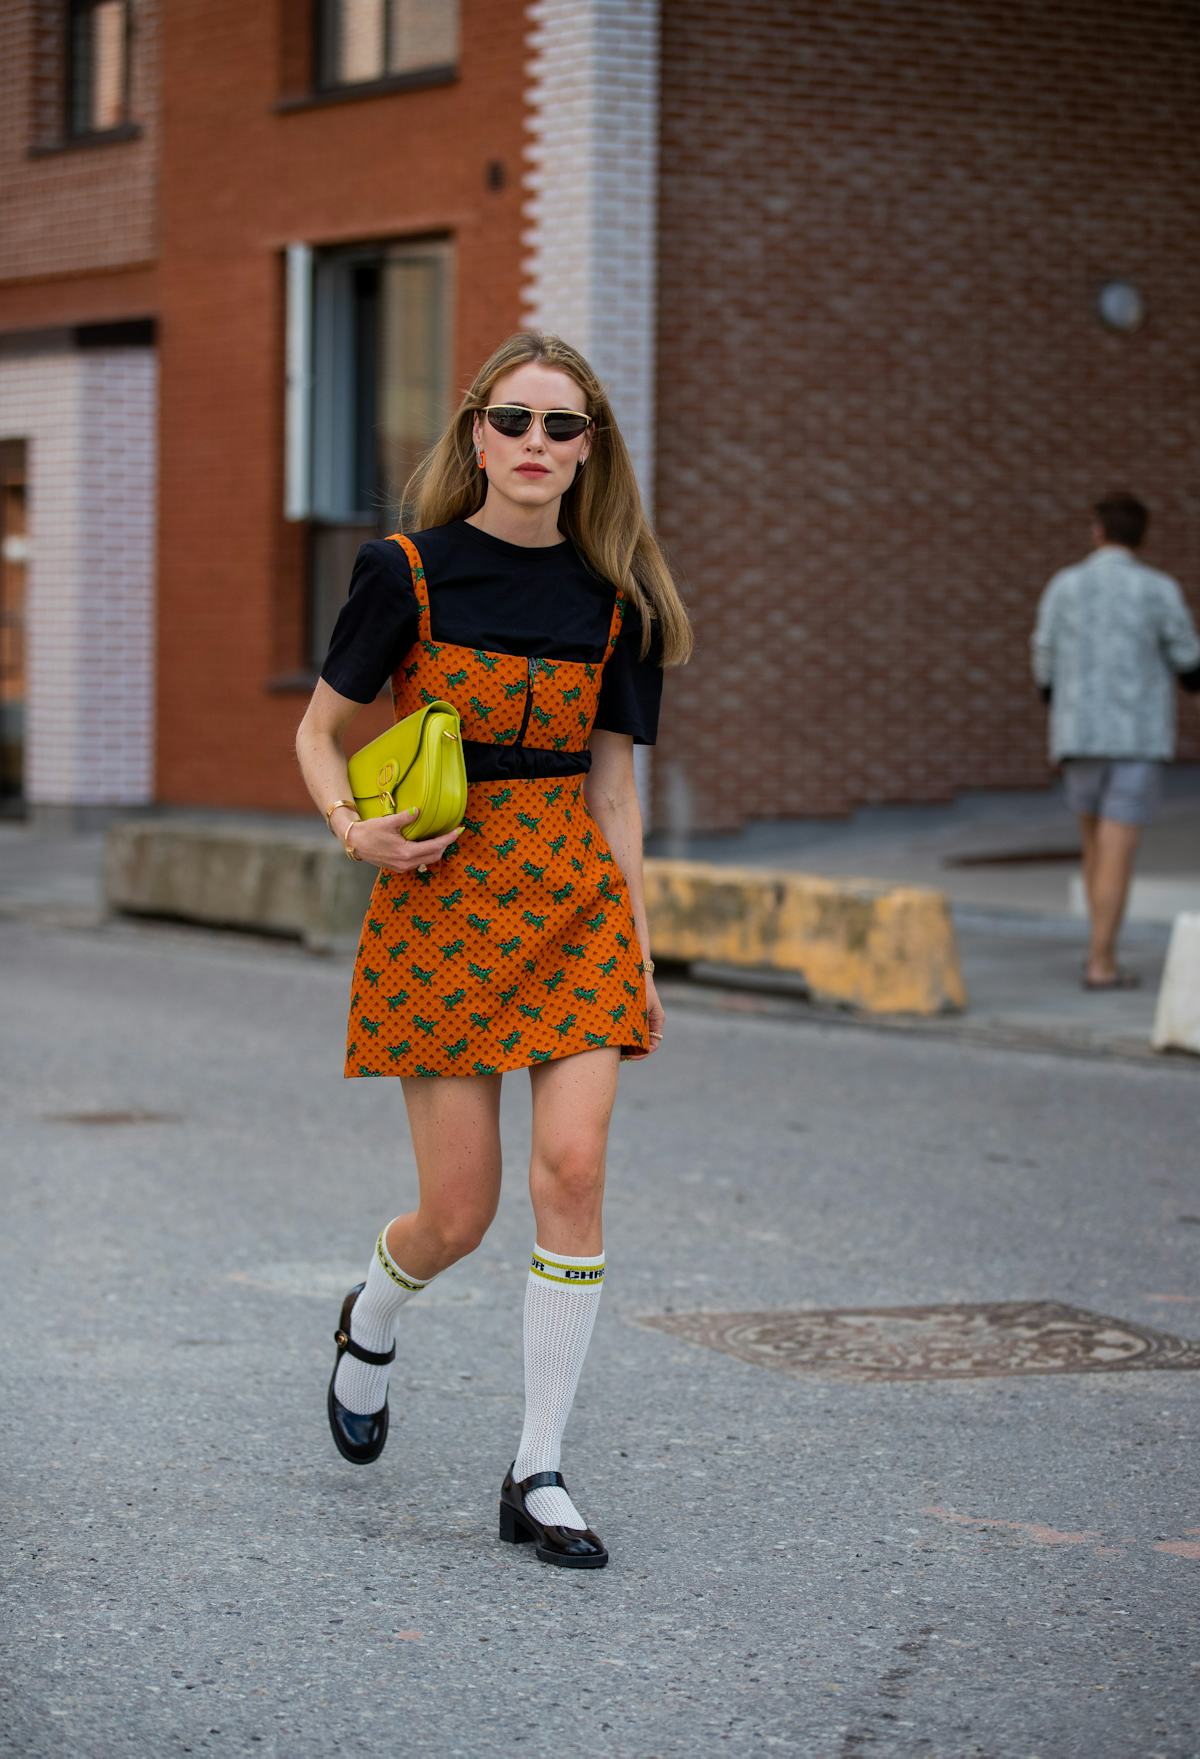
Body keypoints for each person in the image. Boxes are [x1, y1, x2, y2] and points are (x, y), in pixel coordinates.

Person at [295, 332, 692, 1569]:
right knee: (456, 1215)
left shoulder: (616, 602)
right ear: (476, 434)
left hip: (573, 909)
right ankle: (369, 1314)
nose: (536, 445)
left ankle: (540, 1469)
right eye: (513, 421)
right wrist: (356, 830)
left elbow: (615, 794)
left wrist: (637, 948)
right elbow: (321, 732)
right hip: (446, 906)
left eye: (561, 427)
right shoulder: (404, 572)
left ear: (590, 450)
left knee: (571, 1172)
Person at [1031, 491, 1200, 989]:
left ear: (1097, 531)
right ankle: (1101, 961)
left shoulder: (1065, 585)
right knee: (1118, 850)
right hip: (1136, 736)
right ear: (1141, 536)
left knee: (1093, 848)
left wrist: (1057, 703)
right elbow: (1189, 659)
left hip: (1078, 734)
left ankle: (1096, 946)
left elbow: (1043, 651)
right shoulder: (1157, 589)